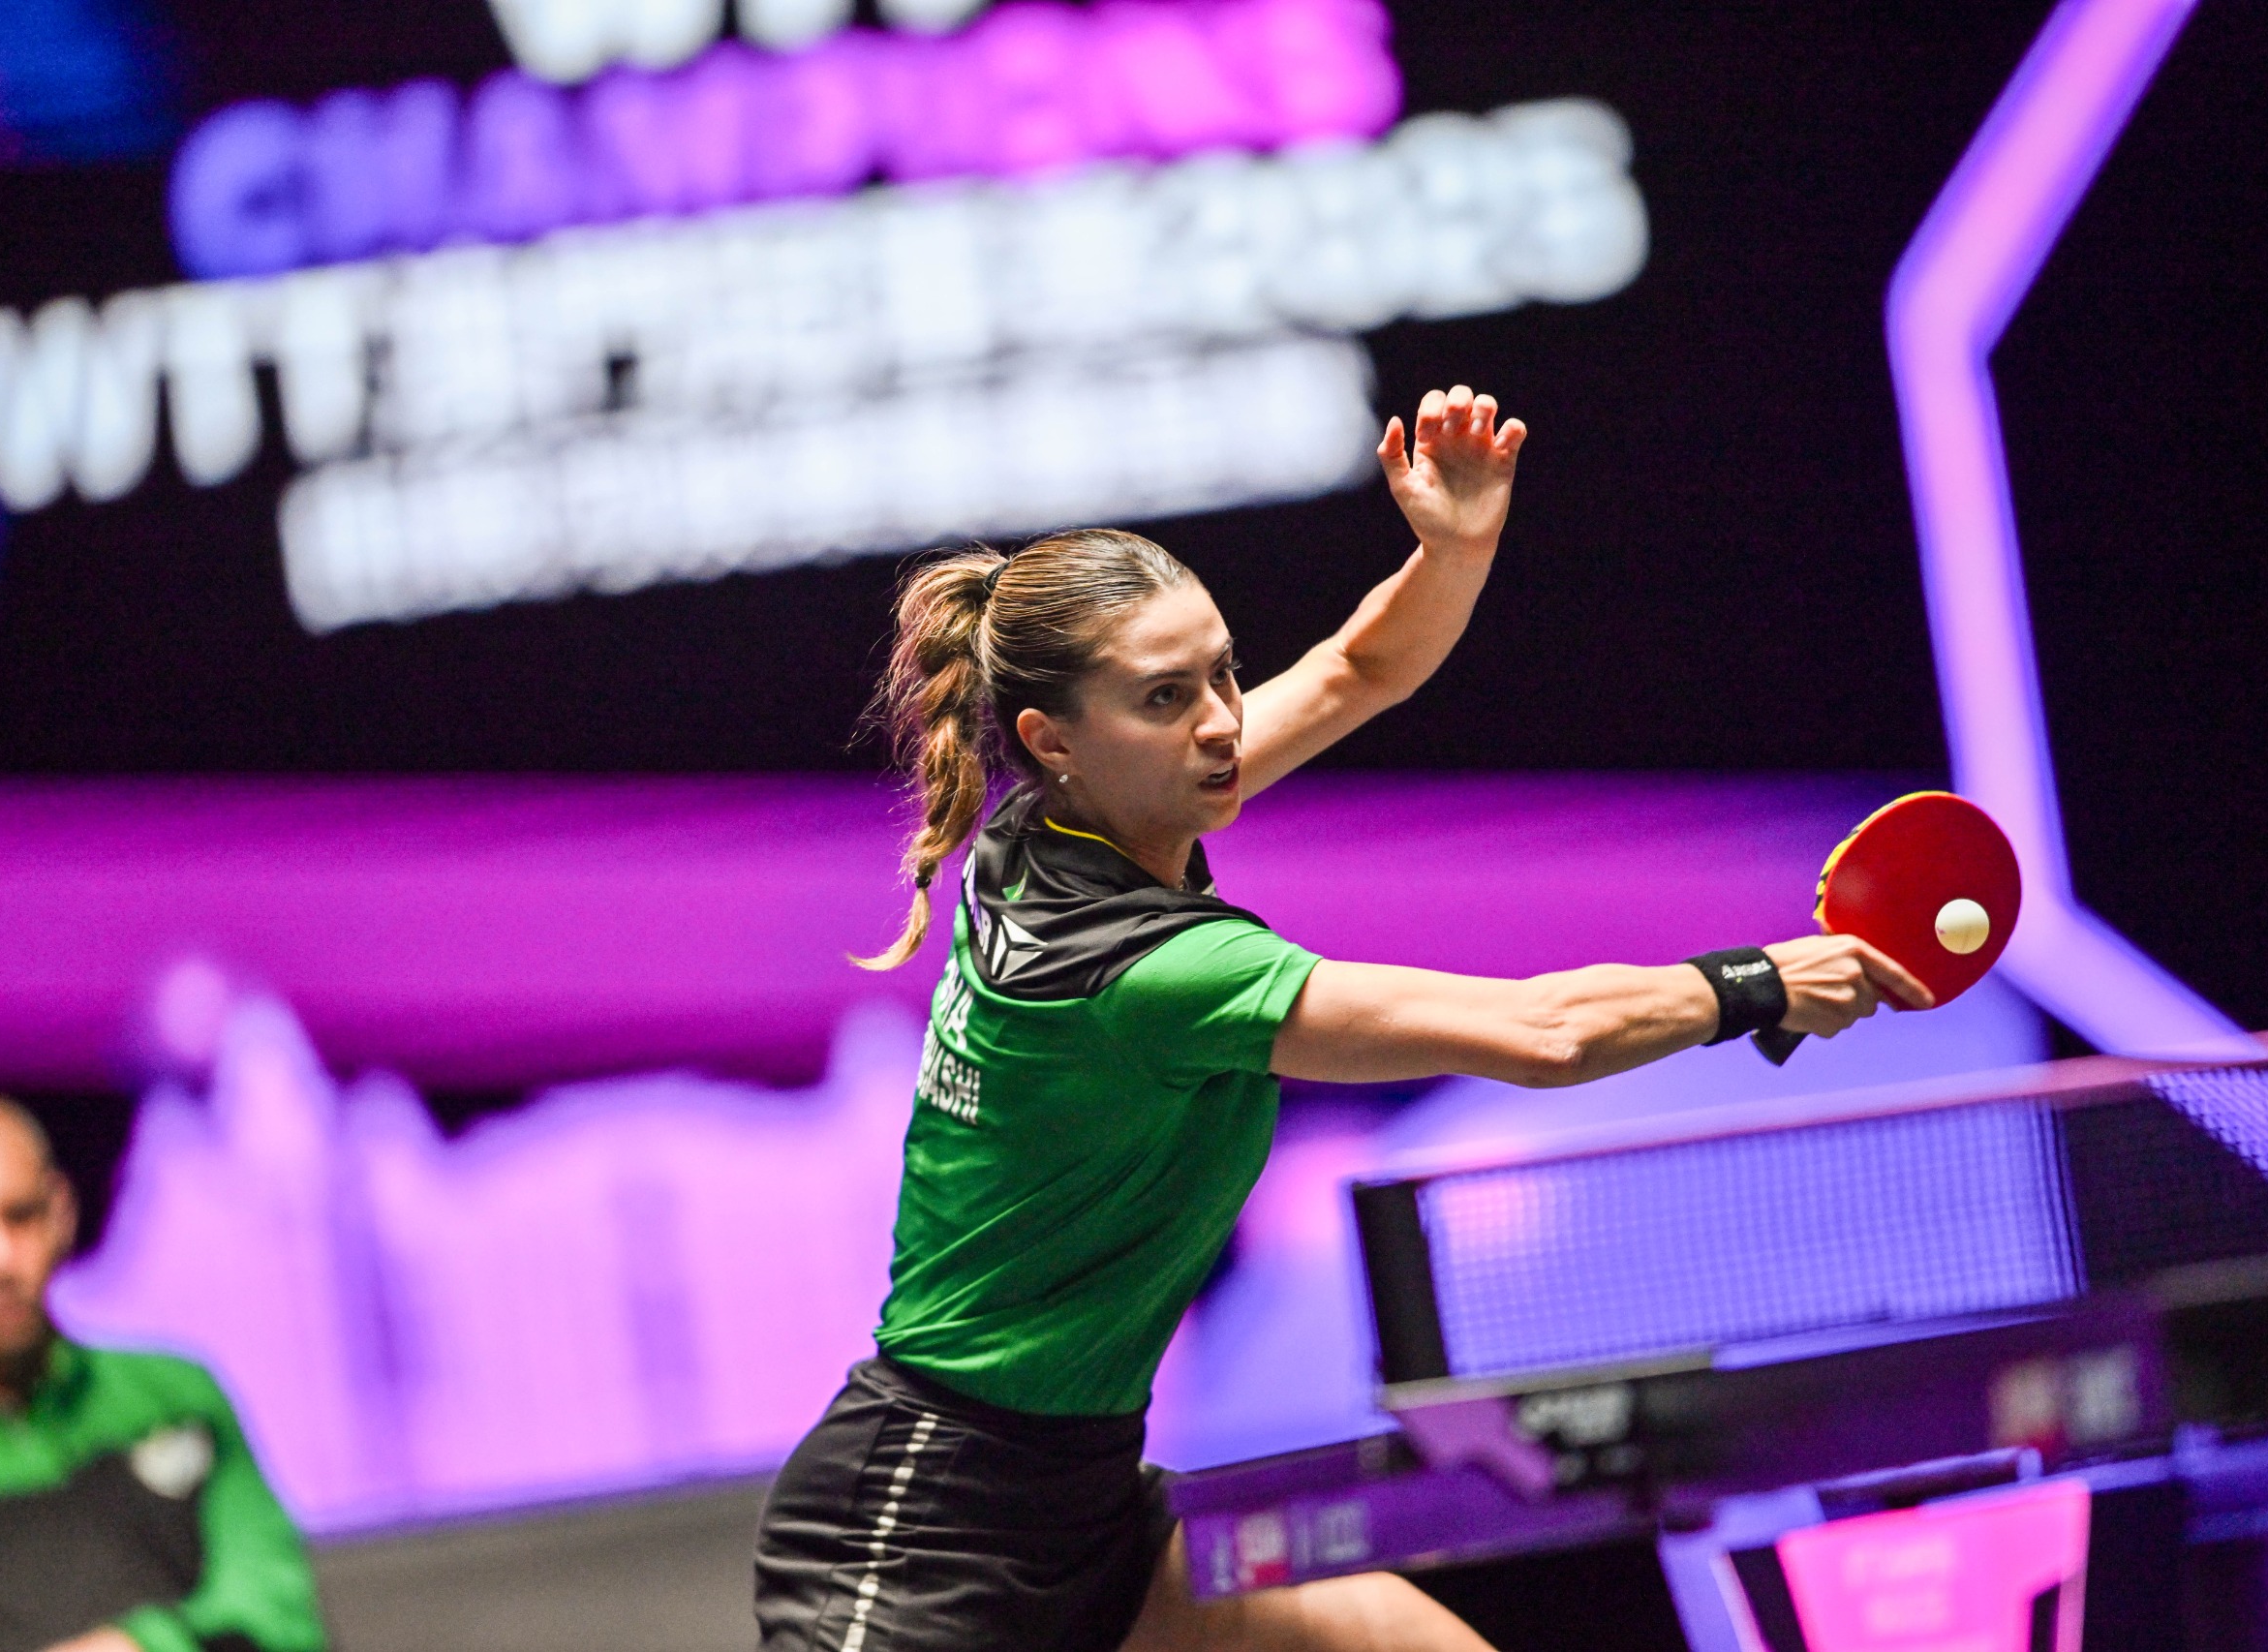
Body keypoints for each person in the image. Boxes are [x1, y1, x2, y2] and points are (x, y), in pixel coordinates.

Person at [751, 385, 1931, 1652]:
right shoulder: (1152, 970)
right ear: (1053, 738)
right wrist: (1756, 981)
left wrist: (1452, 551)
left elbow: (1356, 668)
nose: (1220, 720)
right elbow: (1544, 1032)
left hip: (1087, 1505)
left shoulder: (1078, 821)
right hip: (929, 1538)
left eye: (1221, 672)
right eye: (1165, 696)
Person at [0, 1088, 326, 1652]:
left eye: (21, 1216)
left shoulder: (174, 1395)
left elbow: (278, 1611)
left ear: (62, 1212)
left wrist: (143, 1644)